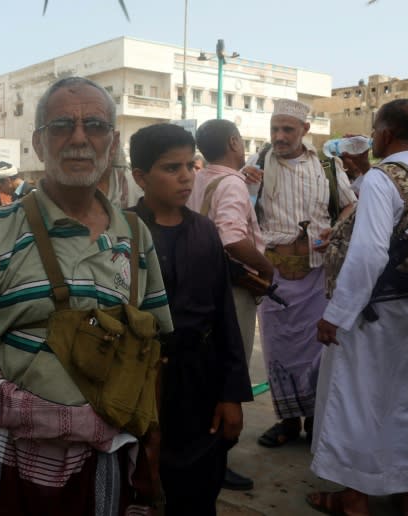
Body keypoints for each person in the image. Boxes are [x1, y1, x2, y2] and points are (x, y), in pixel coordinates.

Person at [0, 76, 173, 516]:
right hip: (10, 453)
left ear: (113, 141)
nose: (79, 139)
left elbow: (152, 353)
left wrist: (152, 449)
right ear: (39, 142)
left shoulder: (135, 235)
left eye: (95, 126)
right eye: (62, 125)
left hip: (108, 453)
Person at [308, 99, 408, 515]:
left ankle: (354, 499)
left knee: (354, 403)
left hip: (372, 313)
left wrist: (335, 315)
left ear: (385, 133)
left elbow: (367, 256)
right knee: (405, 402)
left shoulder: (383, 179)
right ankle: (404, 496)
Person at [129, 123, 252, 514]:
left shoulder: (205, 231)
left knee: (198, 489)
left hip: (200, 381)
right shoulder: (122, 233)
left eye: (190, 165)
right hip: (141, 383)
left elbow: (224, 316)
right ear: (140, 177)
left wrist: (231, 393)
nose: (186, 177)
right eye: (171, 168)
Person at [243, 99, 356, 449]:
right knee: (278, 351)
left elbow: (351, 204)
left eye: (287, 129)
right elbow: (242, 210)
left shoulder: (327, 164)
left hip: (317, 275)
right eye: (275, 129)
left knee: (316, 351)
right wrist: (246, 185)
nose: (279, 136)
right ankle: (288, 423)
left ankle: (313, 421)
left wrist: (334, 229)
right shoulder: (257, 164)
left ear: (305, 130)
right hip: (274, 277)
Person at [187, 119, 274, 492]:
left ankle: (198, 454)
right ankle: (216, 462)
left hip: (197, 285)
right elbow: (231, 238)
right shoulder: (232, 182)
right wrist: (268, 269)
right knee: (228, 371)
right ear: (235, 142)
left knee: (203, 369)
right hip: (231, 287)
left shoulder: (198, 177)